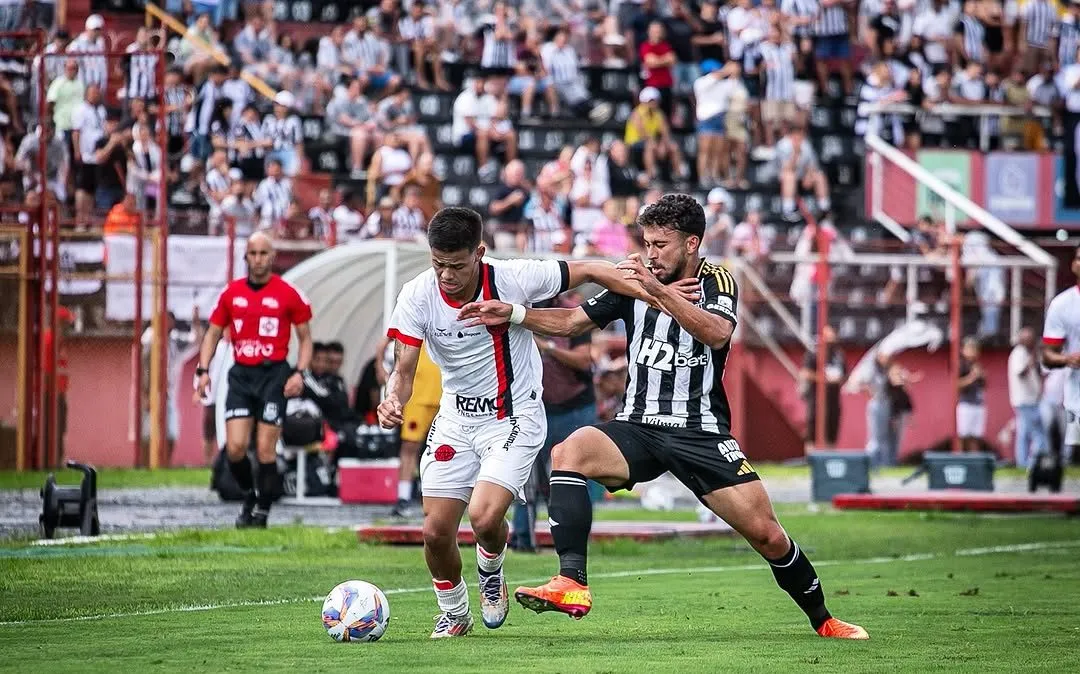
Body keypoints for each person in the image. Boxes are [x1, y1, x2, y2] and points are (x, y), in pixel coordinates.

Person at [459, 194, 868, 640]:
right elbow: (573, 322)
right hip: (637, 426)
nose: (650, 254)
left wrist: (657, 292)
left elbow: (716, 333)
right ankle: (571, 581)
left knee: (768, 535)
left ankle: (824, 620)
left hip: (699, 432)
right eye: (647, 244)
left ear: (691, 243)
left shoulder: (717, 281)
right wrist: (515, 314)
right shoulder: (633, 282)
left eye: (660, 244)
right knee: (569, 452)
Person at [378, 207, 695, 639]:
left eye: (456, 265)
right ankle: (454, 613)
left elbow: (590, 269)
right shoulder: (417, 295)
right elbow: (404, 369)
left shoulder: (513, 277)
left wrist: (661, 293)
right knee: (434, 531)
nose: (447, 276)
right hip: (454, 418)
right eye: (438, 265)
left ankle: (491, 570)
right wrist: (392, 399)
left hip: (513, 417)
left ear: (479, 254)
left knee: (484, 518)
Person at [193, 232, 314, 528]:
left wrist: (299, 372)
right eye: (253, 253)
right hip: (242, 375)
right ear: (246, 257)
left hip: (273, 375)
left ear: (272, 257)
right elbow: (212, 333)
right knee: (235, 448)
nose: (258, 259)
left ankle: (262, 510)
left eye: (263, 253)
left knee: (264, 449)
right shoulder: (231, 294)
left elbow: (305, 338)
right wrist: (203, 370)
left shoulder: (289, 294)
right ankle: (249, 495)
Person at [1041, 244, 1080, 464]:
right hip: (1076, 398)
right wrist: (1067, 358)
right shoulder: (1062, 305)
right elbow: (1048, 355)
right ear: (1074, 265)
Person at [800, 325, 845, 449]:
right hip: (816, 398)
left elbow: (844, 374)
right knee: (813, 431)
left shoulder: (838, 354)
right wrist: (822, 379)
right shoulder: (814, 352)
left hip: (833, 399)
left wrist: (837, 379)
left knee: (831, 431)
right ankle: (811, 457)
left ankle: (829, 456)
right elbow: (805, 372)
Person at [1008, 327, 1044, 468]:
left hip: (1030, 399)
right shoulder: (1019, 353)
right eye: (1030, 339)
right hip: (1024, 400)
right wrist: (1030, 362)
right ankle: (1034, 462)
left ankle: (1022, 462)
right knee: (1038, 433)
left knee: (1023, 433)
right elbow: (1020, 373)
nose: (1033, 341)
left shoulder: (1026, 353)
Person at [957, 337, 987, 454]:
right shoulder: (961, 365)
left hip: (978, 403)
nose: (973, 351)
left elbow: (984, 386)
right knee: (963, 435)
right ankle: (960, 458)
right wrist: (972, 377)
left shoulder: (977, 365)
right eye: (969, 348)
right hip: (966, 404)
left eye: (974, 348)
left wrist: (982, 376)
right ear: (963, 350)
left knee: (976, 436)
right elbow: (957, 385)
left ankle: (974, 459)